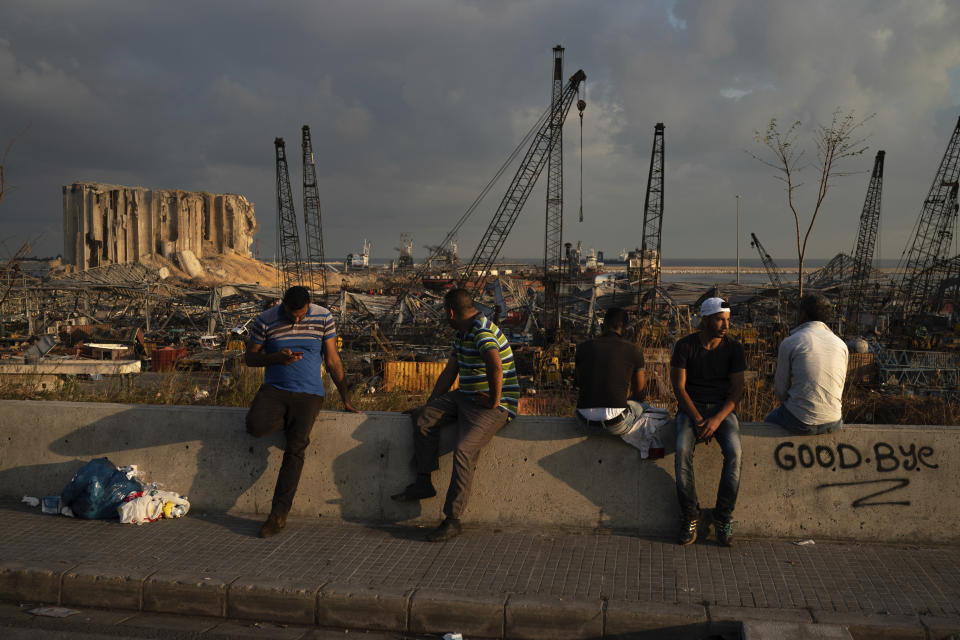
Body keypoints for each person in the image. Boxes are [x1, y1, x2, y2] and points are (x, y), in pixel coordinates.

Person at [391, 288, 519, 542]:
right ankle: (424, 480)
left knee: (464, 450)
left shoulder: (481, 331)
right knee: (424, 418)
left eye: (444, 313)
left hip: (493, 404)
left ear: (451, 312)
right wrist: (428, 405)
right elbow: (449, 373)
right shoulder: (462, 333)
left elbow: (495, 364)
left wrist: (493, 401)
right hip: (466, 396)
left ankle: (452, 519)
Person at [244, 285, 358, 538]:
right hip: (274, 390)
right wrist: (276, 358)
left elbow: (332, 360)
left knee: (296, 448)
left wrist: (345, 398)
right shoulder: (266, 320)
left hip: (309, 394)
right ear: (283, 305)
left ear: (309, 305)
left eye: (301, 314)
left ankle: (278, 515)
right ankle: (290, 422)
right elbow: (250, 358)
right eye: (291, 314)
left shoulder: (323, 316)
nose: (296, 319)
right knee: (255, 426)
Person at [670, 297, 745, 546]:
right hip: (693, 410)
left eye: (727, 320)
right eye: (720, 320)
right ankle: (690, 514)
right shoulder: (685, 346)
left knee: (735, 454)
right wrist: (699, 418)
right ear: (705, 320)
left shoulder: (734, 348)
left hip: (722, 411)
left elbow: (736, 392)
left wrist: (716, 420)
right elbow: (679, 389)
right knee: (681, 451)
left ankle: (723, 516)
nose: (725, 325)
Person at [765, 293, 848, 435]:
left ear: (803, 314)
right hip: (834, 421)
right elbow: (839, 387)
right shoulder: (841, 345)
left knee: (768, 421)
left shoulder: (791, 342)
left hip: (800, 421)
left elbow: (780, 391)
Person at [573, 307, 646, 436]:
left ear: (602, 326)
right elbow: (640, 393)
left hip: (583, 420)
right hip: (616, 424)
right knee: (645, 408)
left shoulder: (582, 348)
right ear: (625, 329)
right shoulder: (634, 350)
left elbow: (579, 383)